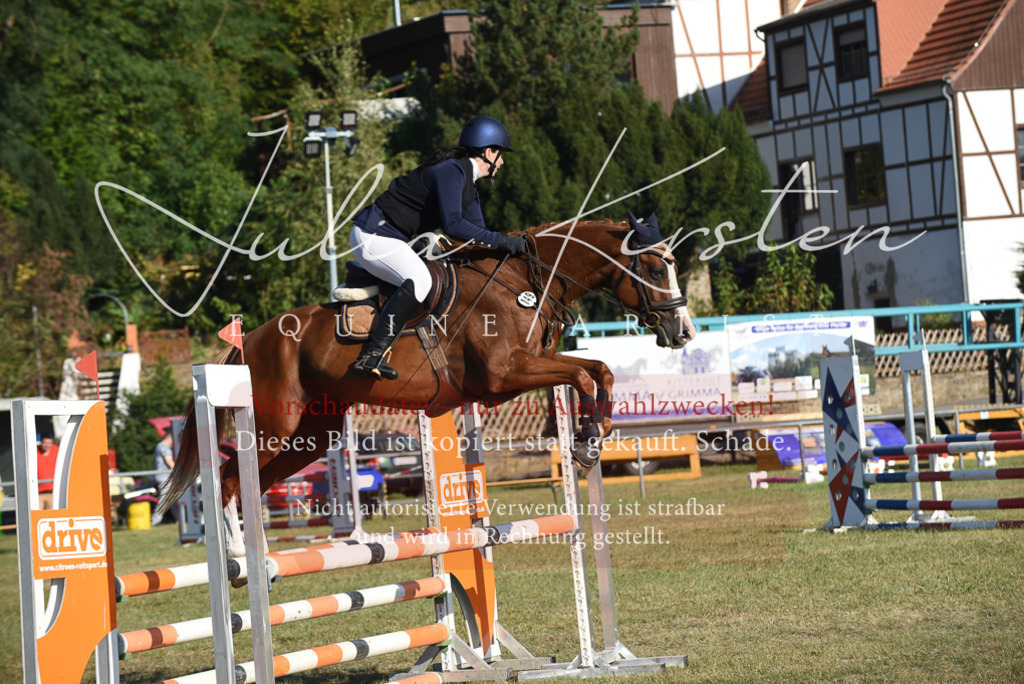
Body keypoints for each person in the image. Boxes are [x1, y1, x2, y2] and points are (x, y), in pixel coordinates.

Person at [349, 115, 528, 380]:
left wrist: (505, 249)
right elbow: (454, 226)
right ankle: (372, 354)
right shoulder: (451, 171)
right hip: (374, 235)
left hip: (396, 239)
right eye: (500, 154)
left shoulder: (468, 183)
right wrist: (501, 241)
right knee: (420, 280)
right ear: (488, 152)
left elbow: (479, 232)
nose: (501, 162)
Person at [152, 431, 175, 525]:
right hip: (165, 477)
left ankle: (178, 519)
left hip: (162, 476)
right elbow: (169, 462)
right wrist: (179, 473)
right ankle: (155, 521)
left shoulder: (159, 446)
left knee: (171, 498)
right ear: (170, 438)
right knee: (164, 500)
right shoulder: (164, 448)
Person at [37, 436, 59, 510]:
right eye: (45, 442)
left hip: (52, 492)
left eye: (49, 443)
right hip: (38, 492)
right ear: (41, 442)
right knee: (37, 516)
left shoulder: (56, 450)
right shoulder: (34, 451)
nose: (47, 445)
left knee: (52, 515)